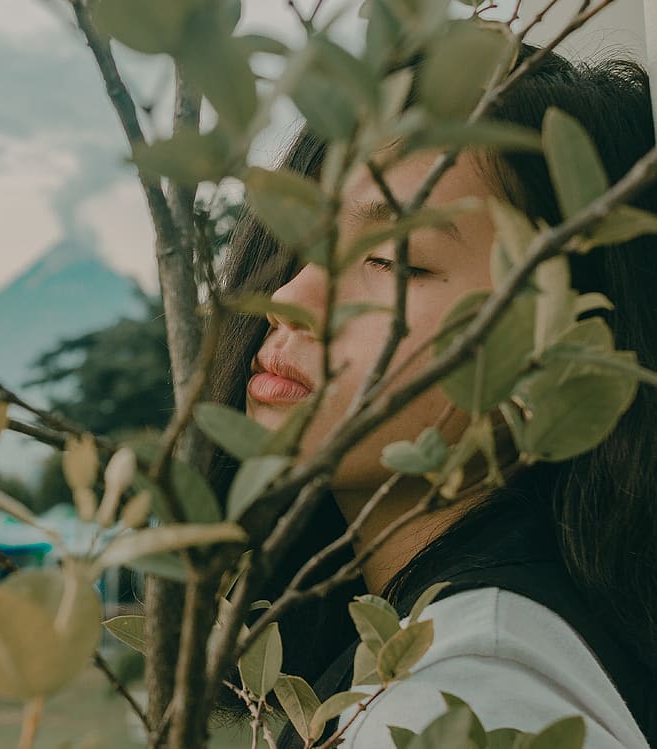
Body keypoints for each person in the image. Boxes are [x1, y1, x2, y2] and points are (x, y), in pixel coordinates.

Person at [208, 43, 657, 748]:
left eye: (393, 260)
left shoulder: (464, 701)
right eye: (303, 242)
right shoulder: (458, 648)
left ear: (568, 344)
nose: (290, 297)